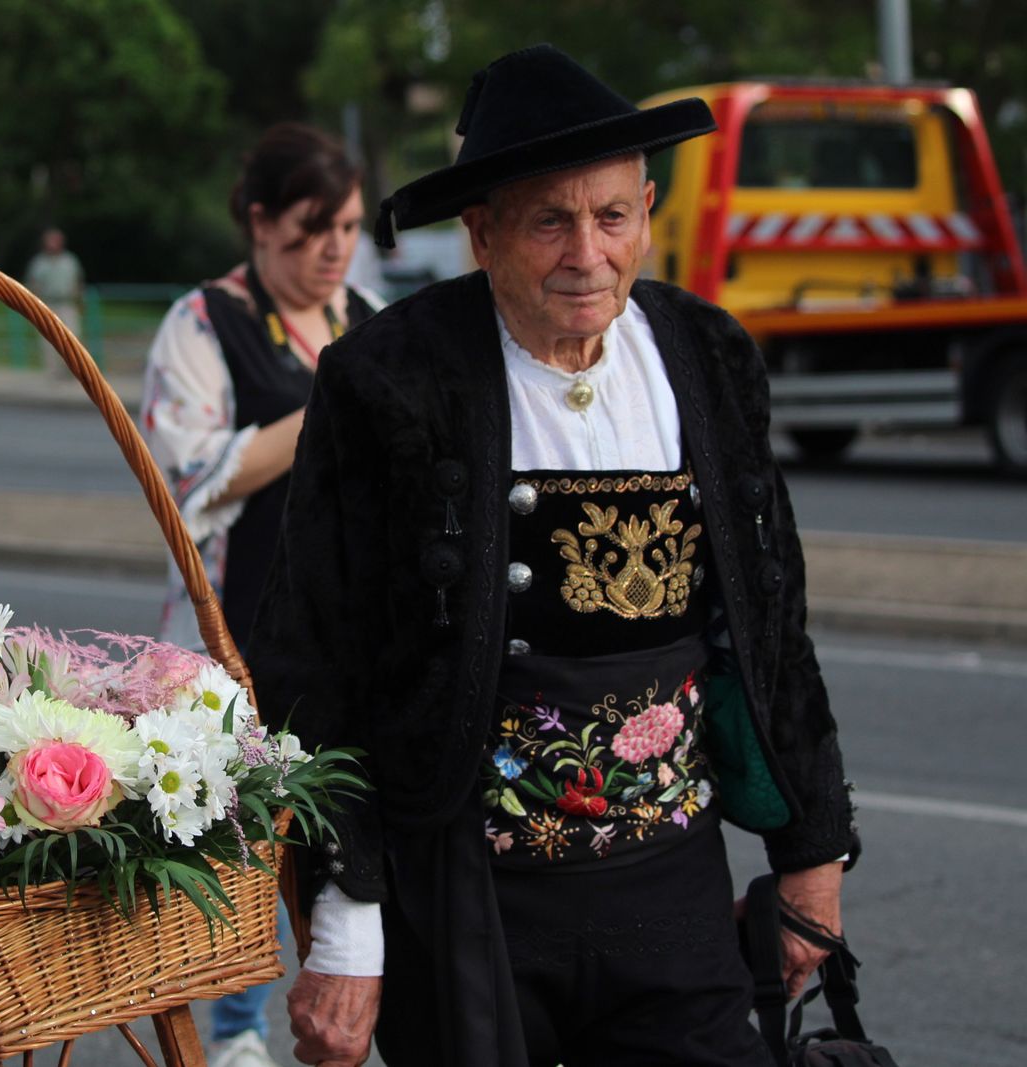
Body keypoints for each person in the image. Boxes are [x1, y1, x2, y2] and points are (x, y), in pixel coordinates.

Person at [249, 46, 859, 1067]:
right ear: (480, 233)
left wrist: (811, 853)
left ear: (648, 212)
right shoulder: (386, 378)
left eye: (611, 216)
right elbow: (314, 663)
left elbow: (770, 625)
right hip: (466, 894)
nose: (586, 252)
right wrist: (345, 928)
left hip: (672, 890)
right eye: (549, 220)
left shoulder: (709, 355)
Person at [140, 124, 378, 1067]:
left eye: (350, 227)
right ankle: (236, 1038)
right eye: (311, 229)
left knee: (349, 835)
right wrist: (333, 399)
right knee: (235, 854)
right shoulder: (202, 322)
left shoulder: (364, 311)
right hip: (233, 644)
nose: (333, 251)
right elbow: (184, 477)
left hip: (353, 635)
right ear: (258, 223)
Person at [23, 227, 84, 378]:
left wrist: (79, 302)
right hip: (48, 304)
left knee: (72, 337)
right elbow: (33, 284)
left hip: (67, 303)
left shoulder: (70, 260)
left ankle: (71, 371)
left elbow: (77, 282)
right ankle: (52, 372)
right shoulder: (39, 262)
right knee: (49, 339)